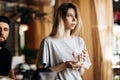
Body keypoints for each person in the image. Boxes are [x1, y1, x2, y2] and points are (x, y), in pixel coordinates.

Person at [37, 2, 91, 80]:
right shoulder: (48, 42)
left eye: (76, 16)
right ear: (60, 17)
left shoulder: (80, 41)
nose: (74, 19)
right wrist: (65, 65)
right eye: (70, 15)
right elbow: (40, 73)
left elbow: (81, 73)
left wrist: (80, 63)